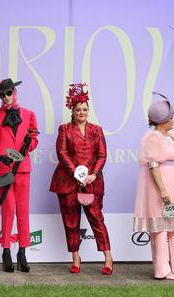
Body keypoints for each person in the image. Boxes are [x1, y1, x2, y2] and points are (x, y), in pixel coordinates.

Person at [133, 92, 174, 280]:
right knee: (161, 228)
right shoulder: (152, 138)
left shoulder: (172, 136)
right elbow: (153, 165)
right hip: (160, 187)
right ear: (162, 120)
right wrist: (162, 189)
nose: (173, 120)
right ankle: (162, 269)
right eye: (170, 118)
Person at [50, 83, 113, 275]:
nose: (82, 112)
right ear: (73, 110)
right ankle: (76, 258)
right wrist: (77, 174)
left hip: (92, 183)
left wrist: (92, 175)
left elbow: (102, 155)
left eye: (85, 109)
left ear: (88, 110)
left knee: (96, 218)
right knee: (71, 221)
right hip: (68, 183)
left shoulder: (97, 130)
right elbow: (62, 153)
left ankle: (108, 257)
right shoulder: (65, 130)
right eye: (78, 110)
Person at [0, 78, 39, 272]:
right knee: (9, 210)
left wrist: (27, 146)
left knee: (23, 211)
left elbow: (34, 138)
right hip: (5, 170)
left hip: (23, 169)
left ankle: (22, 252)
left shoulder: (29, 114)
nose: (6, 97)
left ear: (14, 92)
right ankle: (6, 250)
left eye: (8, 93)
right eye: (2, 94)